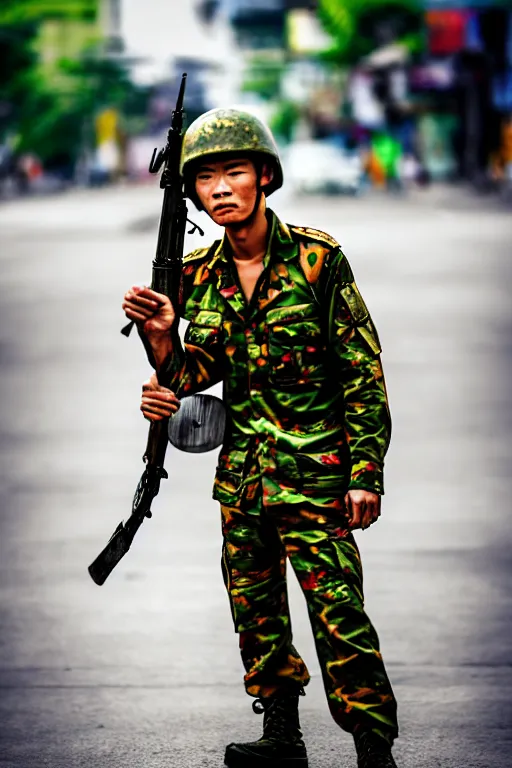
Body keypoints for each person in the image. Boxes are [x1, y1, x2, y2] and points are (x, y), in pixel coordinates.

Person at [122, 109, 399, 768]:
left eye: (233, 172)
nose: (220, 188)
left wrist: (366, 472)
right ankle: (281, 736)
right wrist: (162, 343)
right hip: (244, 481)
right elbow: (197, 372)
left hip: (317, 475)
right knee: (257, 615)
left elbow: (362, 372)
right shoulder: (196, 273)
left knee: (340, 619)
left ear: (264, 177)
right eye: (206, 177)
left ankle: (373, 747)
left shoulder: (316, 259)